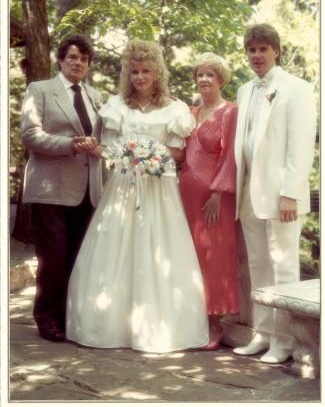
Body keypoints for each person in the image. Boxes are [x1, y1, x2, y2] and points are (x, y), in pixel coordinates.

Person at [66, 38, 209, 353]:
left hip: (159, 190)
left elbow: (178, 152)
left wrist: (147, 157)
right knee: (116, 248)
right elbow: (111, 150)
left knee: (160, 250)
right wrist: (96, 149)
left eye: (145, 71)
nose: (140, 77)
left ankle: (162, 326)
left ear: (157, 72)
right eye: (134, 72)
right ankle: (112, 326)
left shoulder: (176, 109)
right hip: (123, 188)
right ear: (127, 74)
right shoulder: (117, 107)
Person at [233, 23, 316, 363]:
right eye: (251, 50)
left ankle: (285, 342)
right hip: (249, 190)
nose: (257, 56)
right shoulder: (244, 91)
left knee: (283, 265)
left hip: (282, 194)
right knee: (257, 264)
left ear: (276, 50)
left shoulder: (296, 88)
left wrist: (290, 194)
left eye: (263, 49)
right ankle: (263, 333)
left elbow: (300, 146)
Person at [21, 35, 103, 342]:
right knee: (53, 257)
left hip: (86, 190)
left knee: (76, 258)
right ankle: (46, 317)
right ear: (60, 60)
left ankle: (67, 316)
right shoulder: (40, 90)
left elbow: (101, 138)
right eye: (72, 57)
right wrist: (70, 145)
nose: (78, 63)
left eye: (83, 59)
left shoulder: (95, 96)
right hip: (50, 187)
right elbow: (31, 135)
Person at [179, 53, 239, 350]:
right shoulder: (189, 113)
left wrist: (218, 193)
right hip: (184, 196)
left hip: (214, 199)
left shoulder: (230, 112)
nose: (204, 79)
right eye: (200, 74)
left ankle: (216, 326)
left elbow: (230, 156)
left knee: (214, 257)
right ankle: (193, 320)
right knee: (189, 256)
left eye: (210, 75)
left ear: (221, 80)